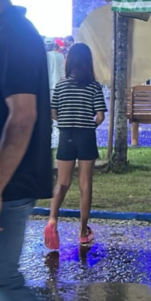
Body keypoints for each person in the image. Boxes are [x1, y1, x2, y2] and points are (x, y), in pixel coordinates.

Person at [0, 0, 60, 301]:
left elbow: (22, 118)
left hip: (9, 183)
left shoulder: (16, 35)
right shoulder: (7, 32)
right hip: (8, 181)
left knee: (2, 281)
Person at [44, 43, 106, 249]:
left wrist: (64, 120)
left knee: (62, 183)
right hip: (86, 136)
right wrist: (91, 124)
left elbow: (53, 113)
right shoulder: (93, 87)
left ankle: (52, 220)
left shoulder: (61, 86)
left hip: (66, 136)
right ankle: (82, 232)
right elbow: (100, 115)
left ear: (68, 61)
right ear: (89, 62)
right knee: (85, 184)